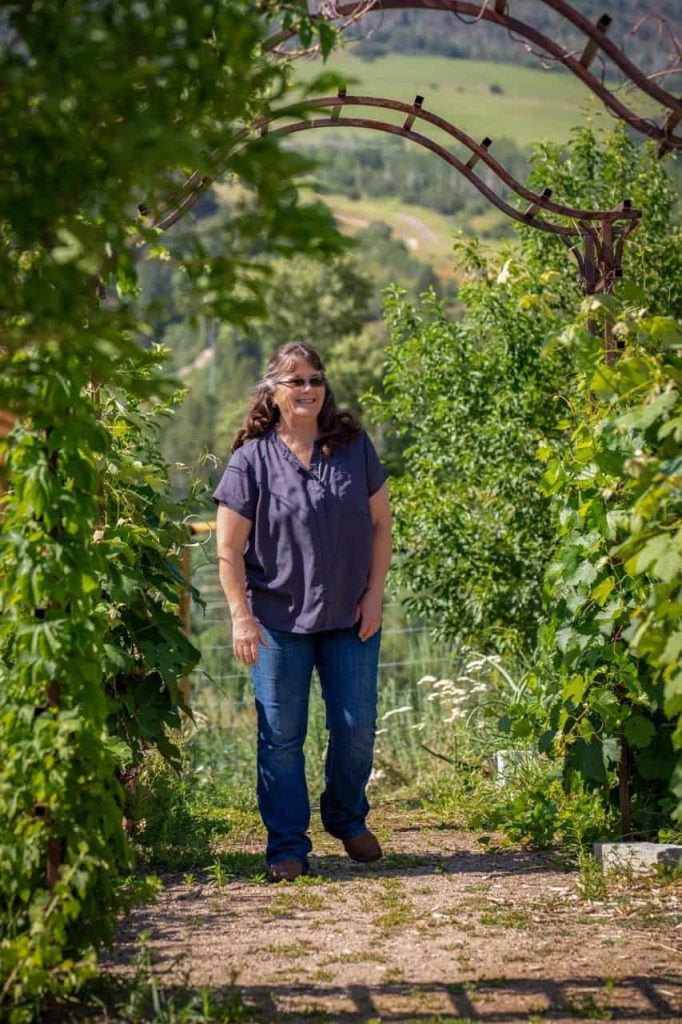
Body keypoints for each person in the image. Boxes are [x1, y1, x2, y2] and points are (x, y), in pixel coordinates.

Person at [213, 341, 392, 882]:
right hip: (276, 624)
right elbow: (227, 550)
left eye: (316, 379)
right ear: (274, 390)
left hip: (350, 616)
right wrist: (241, 618)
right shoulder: (251, 461)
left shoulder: (354, 447)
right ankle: (287, 845)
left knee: (357, 727)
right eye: (297, 381)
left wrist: (375, 593)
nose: (309, 389)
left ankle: (344, 815)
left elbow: (382, 524)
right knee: (281, 736)